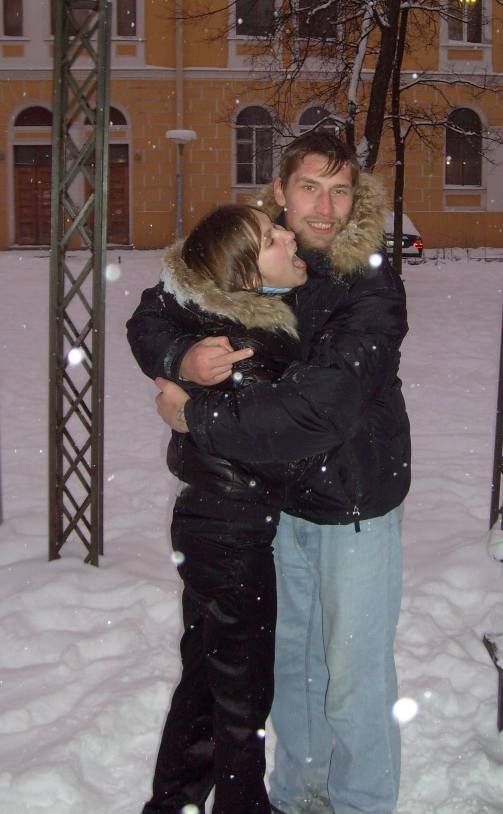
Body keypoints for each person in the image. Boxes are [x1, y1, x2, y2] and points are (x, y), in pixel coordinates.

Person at [129, 132, 411, 814]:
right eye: (310, 187)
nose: (325, 208)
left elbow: (322, 409)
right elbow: (155, 309)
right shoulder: (251, 250)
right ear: (281, 191)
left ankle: (361, 803)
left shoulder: (369, 284)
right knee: (289, 667)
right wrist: (183, 356)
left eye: (340, 190)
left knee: (353, 676)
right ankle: (294, 794)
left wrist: (197, 416)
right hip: (272, 508)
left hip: (353, 505)